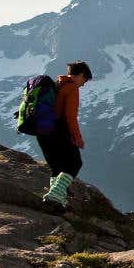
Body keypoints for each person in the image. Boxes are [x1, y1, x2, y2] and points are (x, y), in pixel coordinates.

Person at [37, 61, 93, 212]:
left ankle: (57, 202)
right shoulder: (71, 88)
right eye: (85, 80)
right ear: (81, 75)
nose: (83, 84)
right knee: (74, 163)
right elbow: (70, 117)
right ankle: (54, 197)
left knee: (57, 167)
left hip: (41, 132)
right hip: (57, 131)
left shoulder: (56, 85)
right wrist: (78, 138)